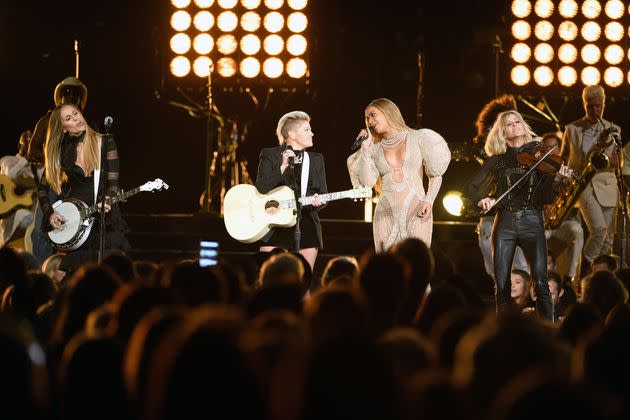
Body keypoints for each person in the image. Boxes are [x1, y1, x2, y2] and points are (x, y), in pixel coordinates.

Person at [463, 110, 573, 321]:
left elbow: (546, 196)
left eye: (517, 122)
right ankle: (504, 332)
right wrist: (482, 199)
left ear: (523, 125)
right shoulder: (498, 161)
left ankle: (548, 330)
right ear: (502, 133)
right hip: (504, 222)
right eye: (509, 124)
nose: (515, 126)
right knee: (501, 284)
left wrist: (558, 178)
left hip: (533, 221)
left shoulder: (539, 155)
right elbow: (471, 187)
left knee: (540, 281)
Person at [37, 104, 129, 277]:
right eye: (68, 119)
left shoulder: (105, 141)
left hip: (104, 219)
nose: (76, 119)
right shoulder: (61, 151)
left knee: (111, 275)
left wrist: (108, 199)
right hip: (76, 222)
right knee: (73, 279)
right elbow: (42, 189)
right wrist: (50, 213)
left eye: (76, 113)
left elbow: (114, 183)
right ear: (63, 128)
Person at [347, 98, 450, 251]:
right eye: (367, 118)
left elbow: (435, 174)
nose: (370, 121)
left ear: (388, 112)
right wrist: (366, 150)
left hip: (417, 211)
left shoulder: (418, 138)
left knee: (417, 265)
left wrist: (429, 200)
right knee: (387, 267)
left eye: (373, 115)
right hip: (385, 214)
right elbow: (367, 183)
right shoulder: (373, 149)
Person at [26, 76, 89, 265]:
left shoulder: (84, 122)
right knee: (41, 230)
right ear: (60, 96)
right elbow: (32, 151)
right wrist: (52, 160)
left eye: (74, 93)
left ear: (80, 98)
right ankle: (43, 275)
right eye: (67, 92)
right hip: (53, 182)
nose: (70, 96)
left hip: (77, 184)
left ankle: (73, 274)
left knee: (79, 229)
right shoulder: (47, 120)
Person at [255, 111, 327, 271]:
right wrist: (282, 167)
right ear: (292, 134)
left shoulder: (316, 159)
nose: (312, 133)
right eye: (307, 130)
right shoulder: (270, 154)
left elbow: (322, 194)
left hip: (306, 224)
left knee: (304, 283)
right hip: (274, 226)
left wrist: (317, 201)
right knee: (271, 280)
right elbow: (261, 187)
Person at [561, 85, 622, 270]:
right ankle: (586, 266)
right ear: (584, 104)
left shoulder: (614, 129)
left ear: (603, 104)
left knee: (608, 239)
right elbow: (563, 158)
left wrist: (608, 159)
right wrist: (563, 179)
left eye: (598, 106)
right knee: (599, 230)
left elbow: (617, 163)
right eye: (591, 106)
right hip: (583, 185)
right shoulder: (572, 129)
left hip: (607, 184)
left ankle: (601, 279)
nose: (595, 110)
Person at [471, 95, 528, 278]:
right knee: (507, 273)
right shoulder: (490, 151)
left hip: (510, 218)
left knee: (514, 273)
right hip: (493, 220)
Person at [542, 132, 584, 285]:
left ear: (560, 150)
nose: (550, 151)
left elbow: (577, 193)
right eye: (546, 147)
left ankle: (569, 278)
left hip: (561, 223)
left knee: (577, 231)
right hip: (542, 223)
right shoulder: (535, 171)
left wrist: (570, 180)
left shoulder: (567, 170)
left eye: (554, 147)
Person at [0, 131, 37, 249]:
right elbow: (10, 176)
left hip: (28, 234)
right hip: (13, 219)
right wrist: (25, 159)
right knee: (31, 219)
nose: (32, 145)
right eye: (29, 141)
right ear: (20, 146)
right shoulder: (8, 160)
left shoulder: (36, 169)